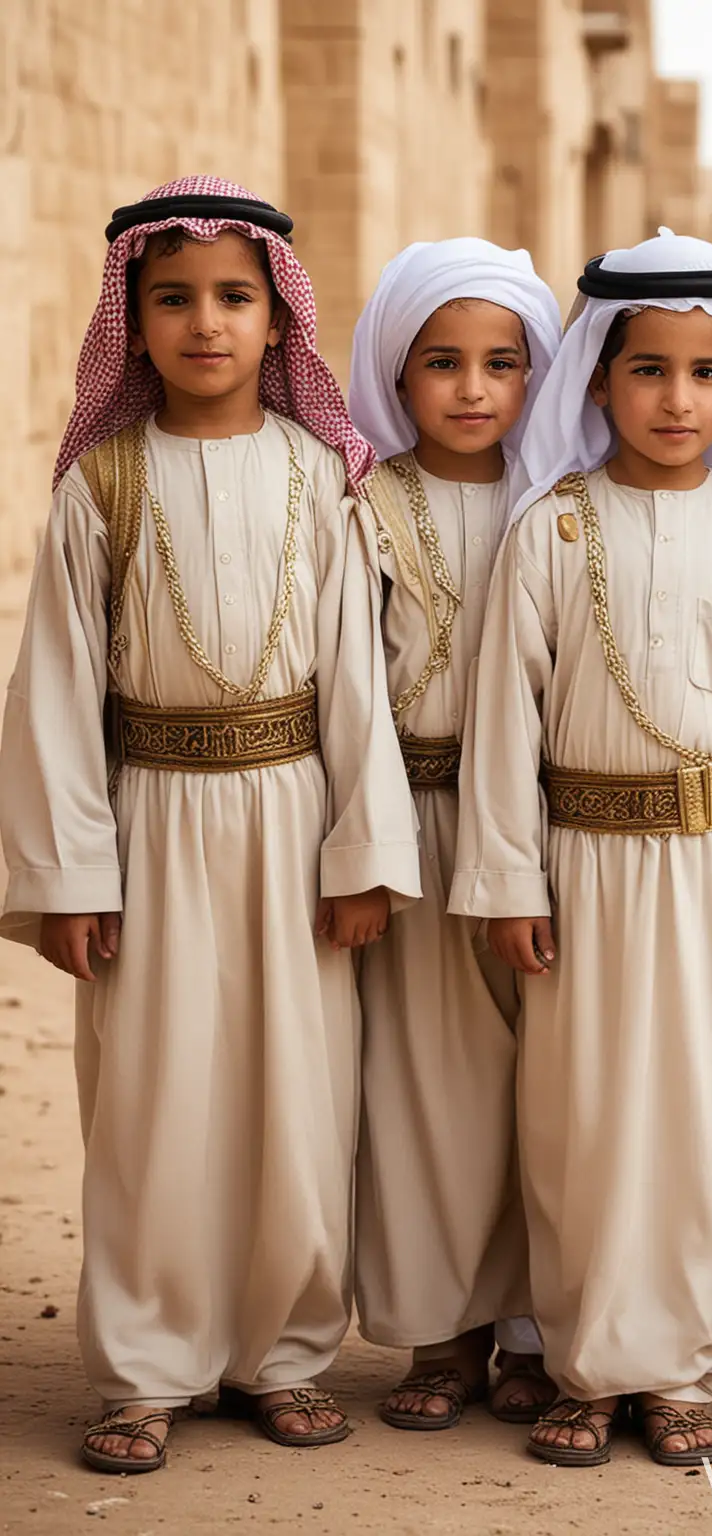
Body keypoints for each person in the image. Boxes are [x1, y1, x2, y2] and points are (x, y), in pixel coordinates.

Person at [0, 176, 420, 1473]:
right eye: (172, 298)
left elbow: (358, 682)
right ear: (130, 319)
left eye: (235, 296)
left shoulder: (320, 478)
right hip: (152, 830)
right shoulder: (105, 485)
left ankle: (282, 1355)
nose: (205, 323)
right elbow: (61, 692)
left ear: (278, 316)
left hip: (294, 826)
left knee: (296, 1101)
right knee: (153, 1102)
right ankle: (146, 1367)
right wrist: (77, 873)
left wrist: (362, 853)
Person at [449, 230, 712, 1468]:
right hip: (579, 872)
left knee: (702, 1127)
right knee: (579, 1125)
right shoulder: (550, 532)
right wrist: (510, 880)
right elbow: (503, 730)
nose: (675, 399)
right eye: (647, 370)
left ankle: (681, 1370)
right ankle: (585, 1366)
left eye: (705, 374)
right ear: (596, 378)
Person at [347, 238, 563, 1431]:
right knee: (427, 1086)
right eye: (443, 362)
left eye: (503, 362)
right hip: (415, 829)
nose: (474, 390)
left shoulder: (566, 498)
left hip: (551, 832)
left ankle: (535, 1329)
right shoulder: (357, 502)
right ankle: (443, 1332)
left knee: (549, 1086)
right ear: (395, 369)